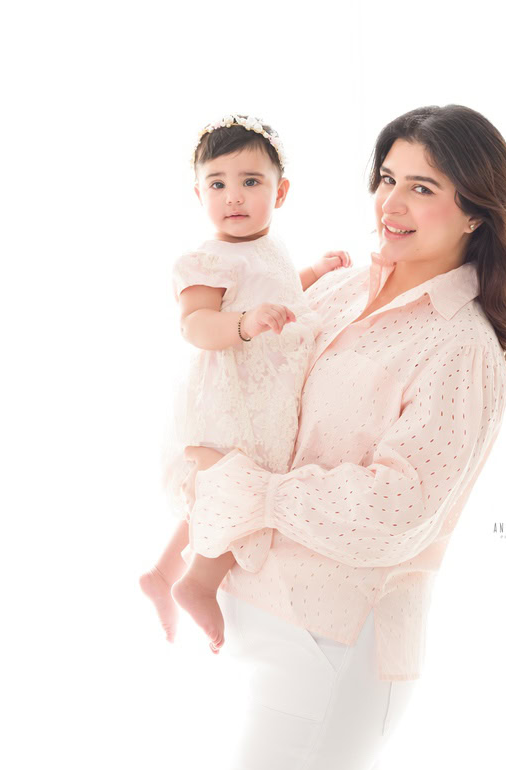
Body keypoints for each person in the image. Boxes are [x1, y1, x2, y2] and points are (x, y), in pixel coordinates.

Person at [182, 104, 506, 770]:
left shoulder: (460, 347)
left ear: (475, 213)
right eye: (387, 177)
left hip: (335, 646)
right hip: (269, 623)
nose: (392, 204)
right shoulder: (342, 288)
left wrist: (243, 486)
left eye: (423, 188)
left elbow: (395, 508)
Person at [137, 113, 351, 651]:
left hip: (265, 393)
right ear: (198, 193)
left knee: (218, 494)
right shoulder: (206, 259)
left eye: (250, 182)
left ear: (280, 192)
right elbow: (196, 324)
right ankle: (198, 583)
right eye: (218, 184)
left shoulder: (267, 247)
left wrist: (313, 274)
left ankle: (161, 573)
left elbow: (277, 290)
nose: (233, 196)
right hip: (232, 397)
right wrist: (244, 325)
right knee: (243, 490)